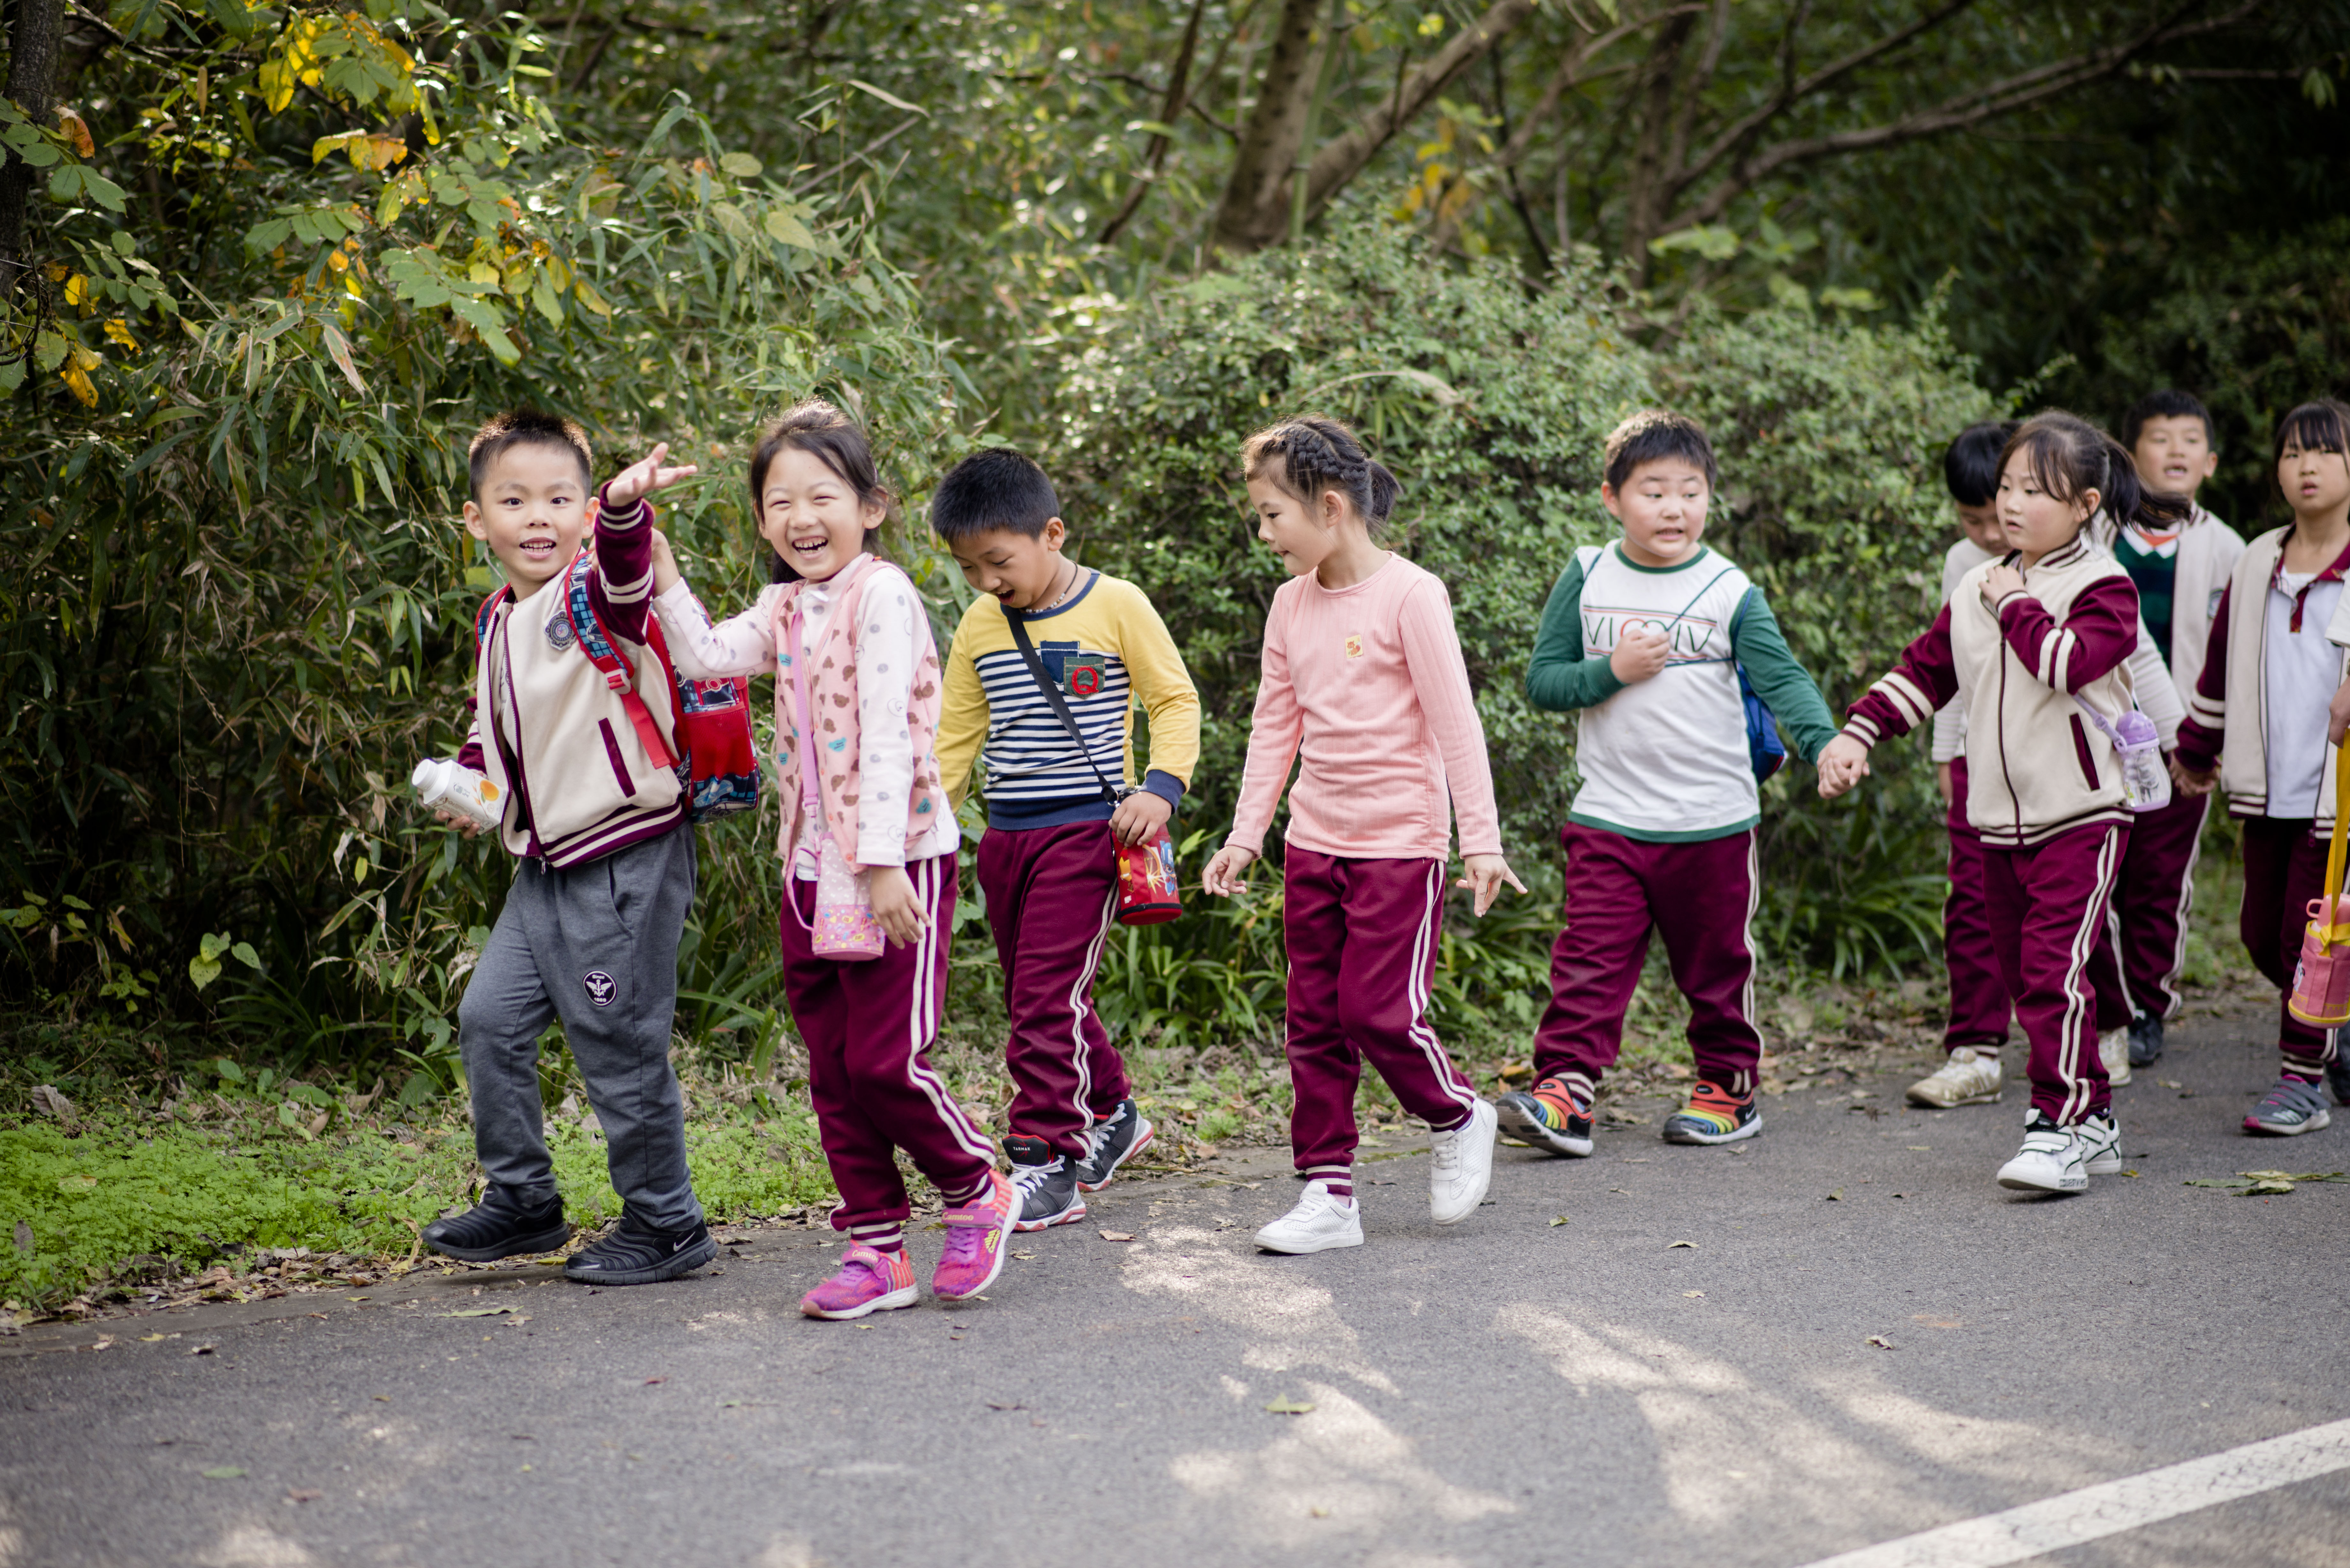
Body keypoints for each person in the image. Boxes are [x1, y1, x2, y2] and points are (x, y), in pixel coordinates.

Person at [649, 401, 1017, 1318]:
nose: (802, 518)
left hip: (895, 866)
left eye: (824, 495)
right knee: (833, 1069)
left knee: (886, 1063)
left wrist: (882, 861)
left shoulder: (882, 594)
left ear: (873, 506)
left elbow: (894, 733)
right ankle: (876, 1247)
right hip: (810, 872)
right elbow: (701, 658)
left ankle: (977, 1189)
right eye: (780, 502)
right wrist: (656, 566)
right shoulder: (784, 604)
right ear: (764, 519)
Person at [1823, 411, 2190, 1193]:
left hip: (2084, 813)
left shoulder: (2103, 585)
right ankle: (2091, 1118)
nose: (2012, 504)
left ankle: (2053, 1125)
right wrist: (1856, 734)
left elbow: (2066, 662)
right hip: (1995, 820)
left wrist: (2015, 601)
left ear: (2085, 504)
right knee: (2035, 978)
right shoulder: (1974, 584)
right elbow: (1926, 671)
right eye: (2007, 487)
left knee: (2052, 968)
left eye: (2035, 490)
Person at [1200, 416, 1520, 1255]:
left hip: (1400, 844)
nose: (1263, 532)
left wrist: (1480, 840)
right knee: (1313, 1021)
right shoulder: (1288, 604)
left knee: (1378, 1012)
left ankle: (1456, 1114)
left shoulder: (1412, 595)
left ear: (1331, 507)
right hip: (1315, 842)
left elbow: (1457, 727)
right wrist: (1246, 835)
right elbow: (1276, 728)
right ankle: (1329, 1193)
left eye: (1273, 515)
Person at [420, 411, 717, 1285]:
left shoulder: (594, 588)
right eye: (514, 500)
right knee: (488, 1021)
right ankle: (523, 1202)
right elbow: (494, 735)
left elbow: (630, 577)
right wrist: (473, 791)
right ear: (478, 519)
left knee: (616, 1042)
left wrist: (628, 511)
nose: (538, 517)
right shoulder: (495, 619)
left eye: (561, 498)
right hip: (544, 865)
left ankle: (668, 1225)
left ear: (587, 514)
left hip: (626, 851)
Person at [1505, 411, 1839, 1154]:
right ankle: (1564, 1090)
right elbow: (1543, 681)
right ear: (1610, 497)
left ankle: (1727, 1087)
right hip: (1609, 815)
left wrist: (1826, 743)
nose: (1673, 508)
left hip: (1712, 821)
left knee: (1718, 966)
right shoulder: (1589, 575)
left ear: (1709, 501)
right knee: (1588, 960)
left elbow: (1780, 678)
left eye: (1690, 491)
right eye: (1652, 491)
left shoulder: (1728, 589)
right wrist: (1610, 672)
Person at [930, 448, 1202, 1231]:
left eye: (998, 562)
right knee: (1038, 994)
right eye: (969, 567)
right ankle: (1114, 1114)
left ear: (1052, 533)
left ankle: (1046, 1157)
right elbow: (953, 740)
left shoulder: (1116, 604)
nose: (985, 581)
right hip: (1004, 838)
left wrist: (1161, 787)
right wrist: (929, 831)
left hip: (1088, 830)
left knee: (1044, 999)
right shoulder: (981, 624)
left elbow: (1174, 700)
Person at [2182, 398, 2350, 1136]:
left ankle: (2300, 1079)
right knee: (2259, 934)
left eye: (2323, 451)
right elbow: (2218, 665)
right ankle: (2331, 1024)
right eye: (2290, 452)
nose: (2305, 466)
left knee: (2303, 937)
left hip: (2334, 797)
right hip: (2265, 786)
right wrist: (2193, 750)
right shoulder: (2256, 558)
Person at [2097, 391, 2246, 1071]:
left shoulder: (2226, 550)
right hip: (2096, 732)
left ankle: (2146, 1008)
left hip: (2179, 742)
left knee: (2157, 880)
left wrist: (2207, 743)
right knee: (2098, 873)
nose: (2177, 450)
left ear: (2210, 462)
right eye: (2160, 438)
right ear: (2130, 456)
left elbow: (2236, 658)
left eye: (2191, 440)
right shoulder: (2096, 535)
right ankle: (2102, 1003)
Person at [1910, 422, 2022, 1110]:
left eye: (1996, 514)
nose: (1985, 532)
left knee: (2071, 908)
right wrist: (1944, 753)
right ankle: (1974, 1049)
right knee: (1973, 902)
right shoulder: (1963, 562)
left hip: (2067, 772)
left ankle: (2100, 1025)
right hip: (1979, 757)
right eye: (1970, 518)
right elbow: (1950, 662)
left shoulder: (2081, 559)